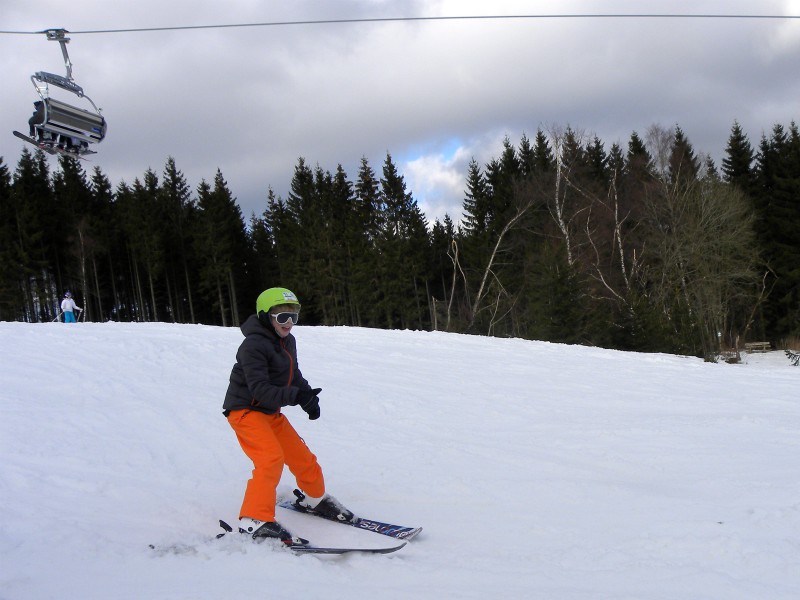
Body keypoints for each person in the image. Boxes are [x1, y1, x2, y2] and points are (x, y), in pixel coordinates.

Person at [222, 287, 354, 545]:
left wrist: (307, 397)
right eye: (282, 317)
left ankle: (315, 499)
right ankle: (254, 520)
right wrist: (295, 396)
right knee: (271, 459)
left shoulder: (286, 341)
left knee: (302, 458)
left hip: (269, 412)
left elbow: (293, 374)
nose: (289, 323)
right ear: (265, 316)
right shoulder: (252, 346)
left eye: (294, 316)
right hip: (245, 411)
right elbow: (260, 389)